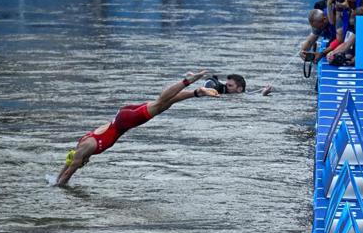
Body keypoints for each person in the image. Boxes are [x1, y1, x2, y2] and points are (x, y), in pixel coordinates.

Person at [55, 71, 245, 186]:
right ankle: (196, 91)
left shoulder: (86, 148)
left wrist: (57, 187)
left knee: (161, 102)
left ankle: (190, 82)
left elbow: (68, 173)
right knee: (163, 104)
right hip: (122, 116)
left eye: (82, 162)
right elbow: (69, 164)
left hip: (126, 121)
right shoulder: (81, 147)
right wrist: (56, 177)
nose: (83, 163)